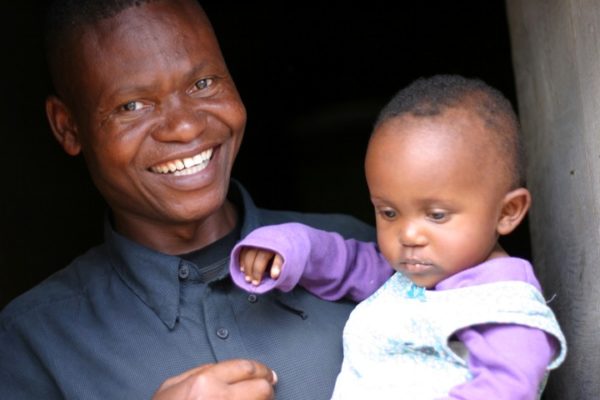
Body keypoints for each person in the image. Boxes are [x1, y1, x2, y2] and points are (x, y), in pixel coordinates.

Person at [0, 1, 378, 399]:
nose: (185, 127)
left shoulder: (365, 255)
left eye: (203, 84)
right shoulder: (29, 347)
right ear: (68, 127)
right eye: (132, 106)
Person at [230, 75, 567, 399]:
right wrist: (288, 247)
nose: (408, 235)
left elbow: (510, 389)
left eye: (437, 215)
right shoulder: (404, 277)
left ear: (508, 212)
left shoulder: (504, 306)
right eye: (389, 213)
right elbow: (346, 263)